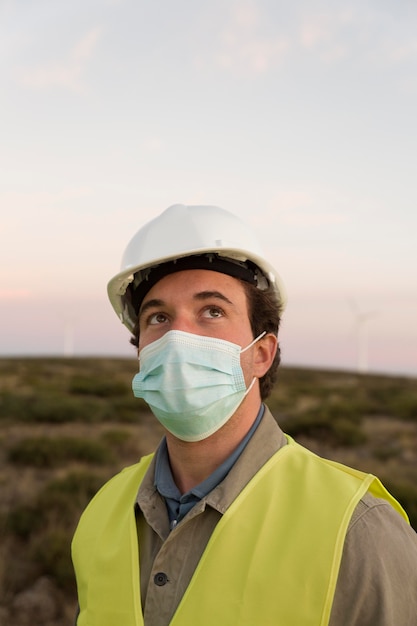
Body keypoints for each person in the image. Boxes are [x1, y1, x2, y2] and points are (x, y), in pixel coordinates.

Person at [72, 203, 417, 626]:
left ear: (261, 354)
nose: (178, 337)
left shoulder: (359, 531)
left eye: (212, 311)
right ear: (142, 355)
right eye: (158, 317)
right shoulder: (101, 512)